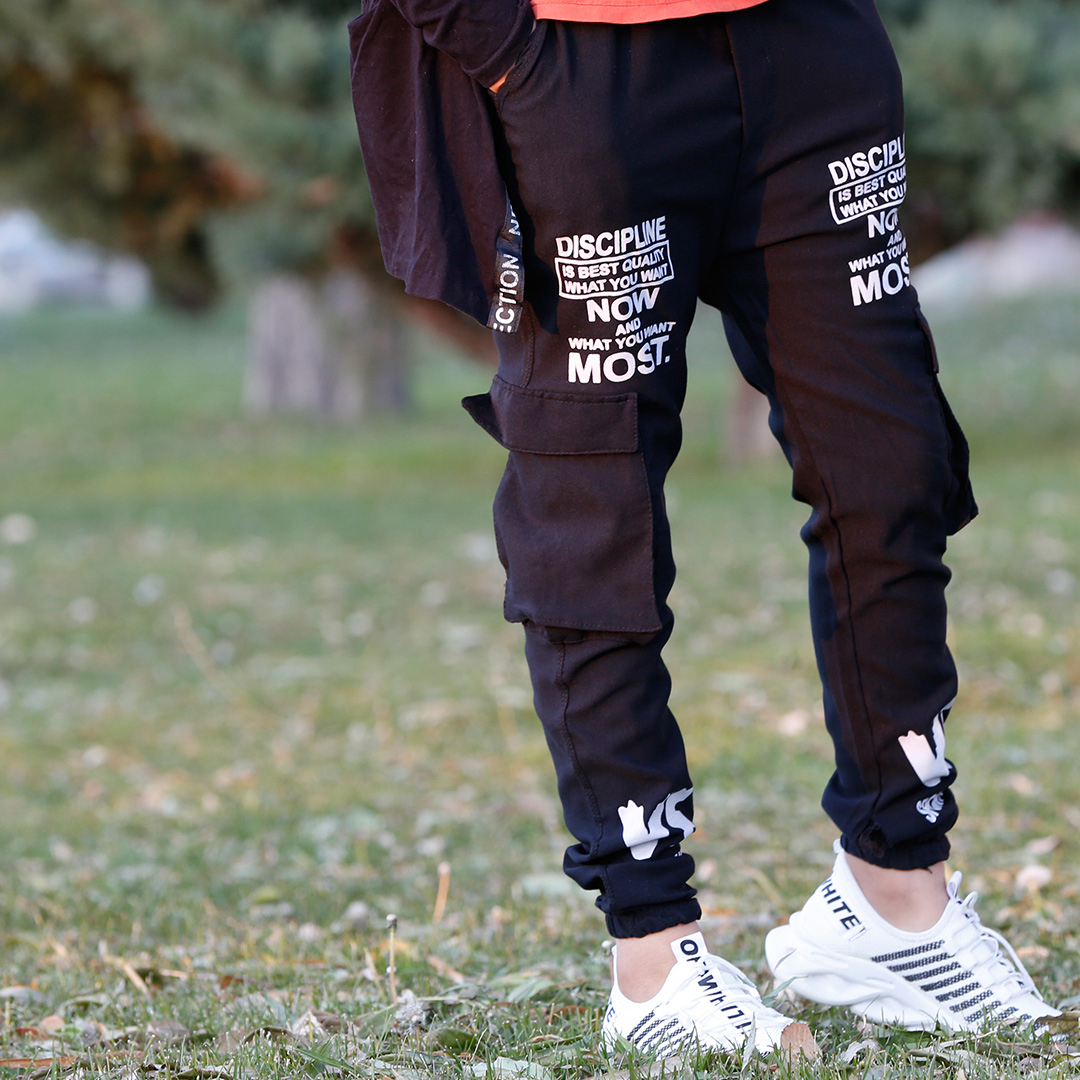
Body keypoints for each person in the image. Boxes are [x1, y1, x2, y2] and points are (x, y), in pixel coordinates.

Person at [348, 0, 1061, 1057]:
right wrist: (506, 52)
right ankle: (651, 958)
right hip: (580, 65)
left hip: (812, 55)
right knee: (595, 507)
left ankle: (894, 897)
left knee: (891, 464)